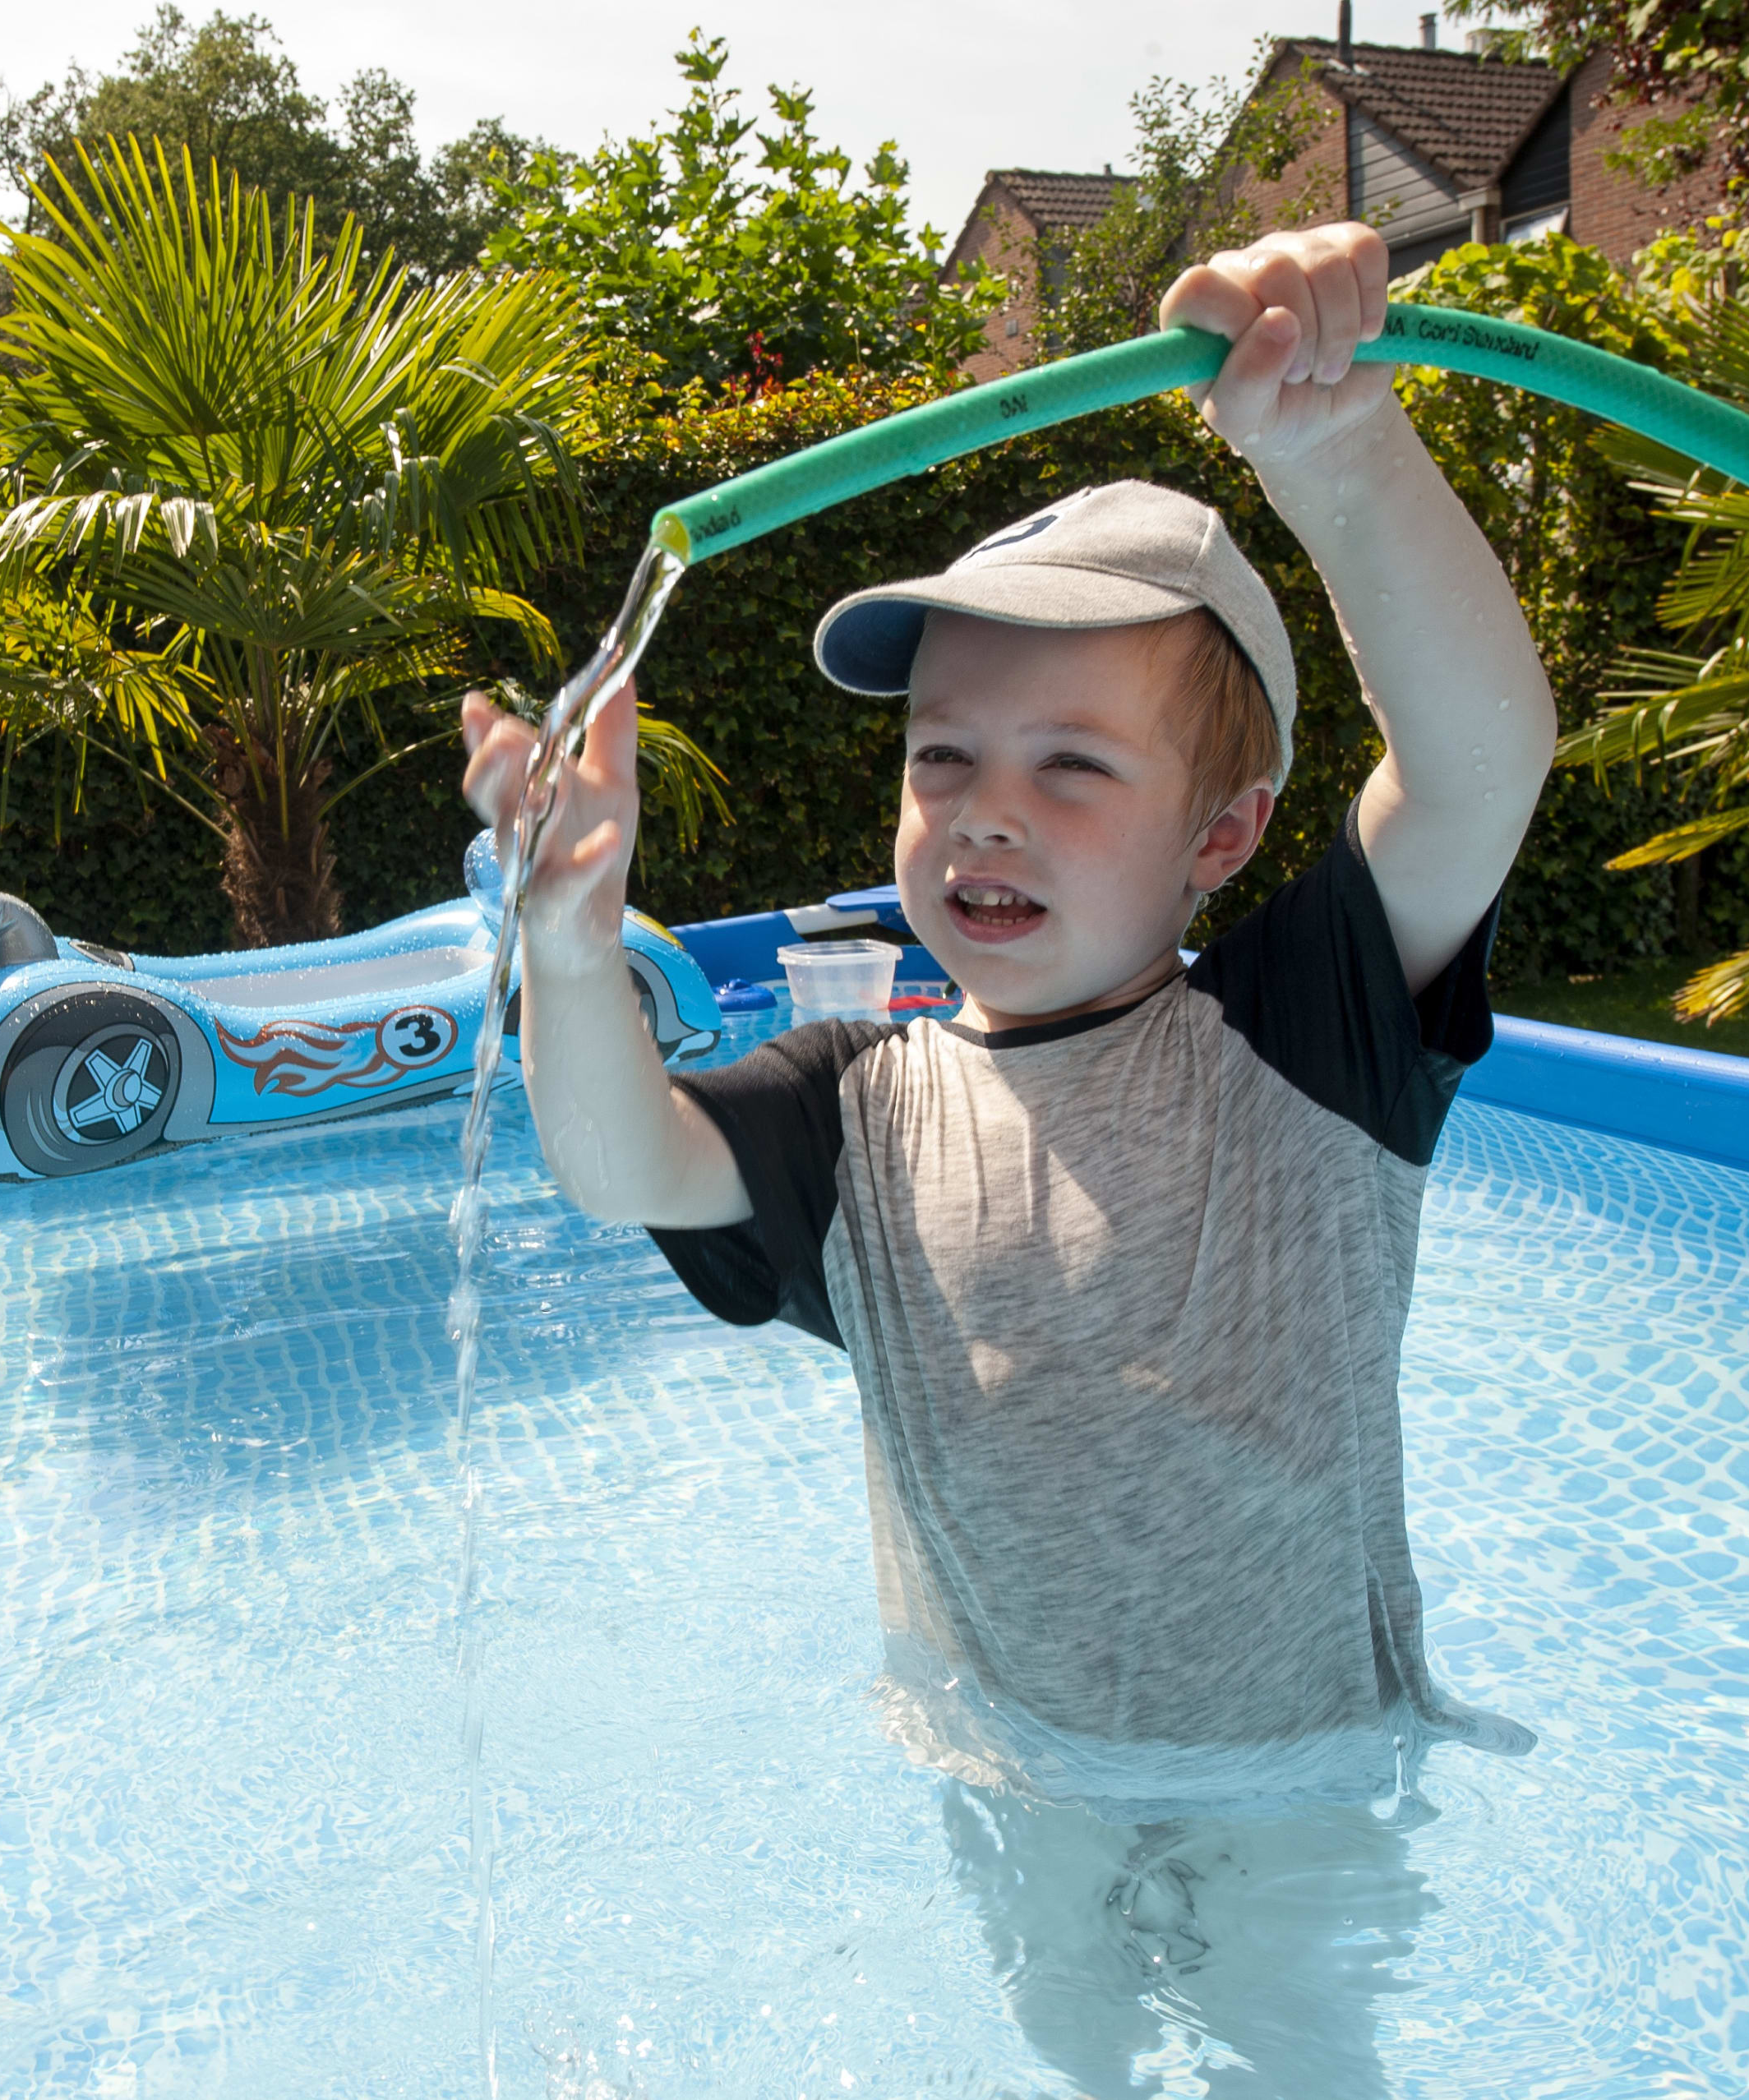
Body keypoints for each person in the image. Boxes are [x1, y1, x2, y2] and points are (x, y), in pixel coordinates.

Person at [460, 219, 1548, 2075]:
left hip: (1288, 1768)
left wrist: (1337, 452)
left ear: (1221, 838)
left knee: (1300, 2062)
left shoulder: (1304, 1038)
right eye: (944, 759)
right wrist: (568, 947)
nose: (989, 816)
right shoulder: (849, 1109)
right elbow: (618, 1160)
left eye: (1074, 767)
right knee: (1070, 2050)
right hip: (1010, 1762)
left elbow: (1475, 766)